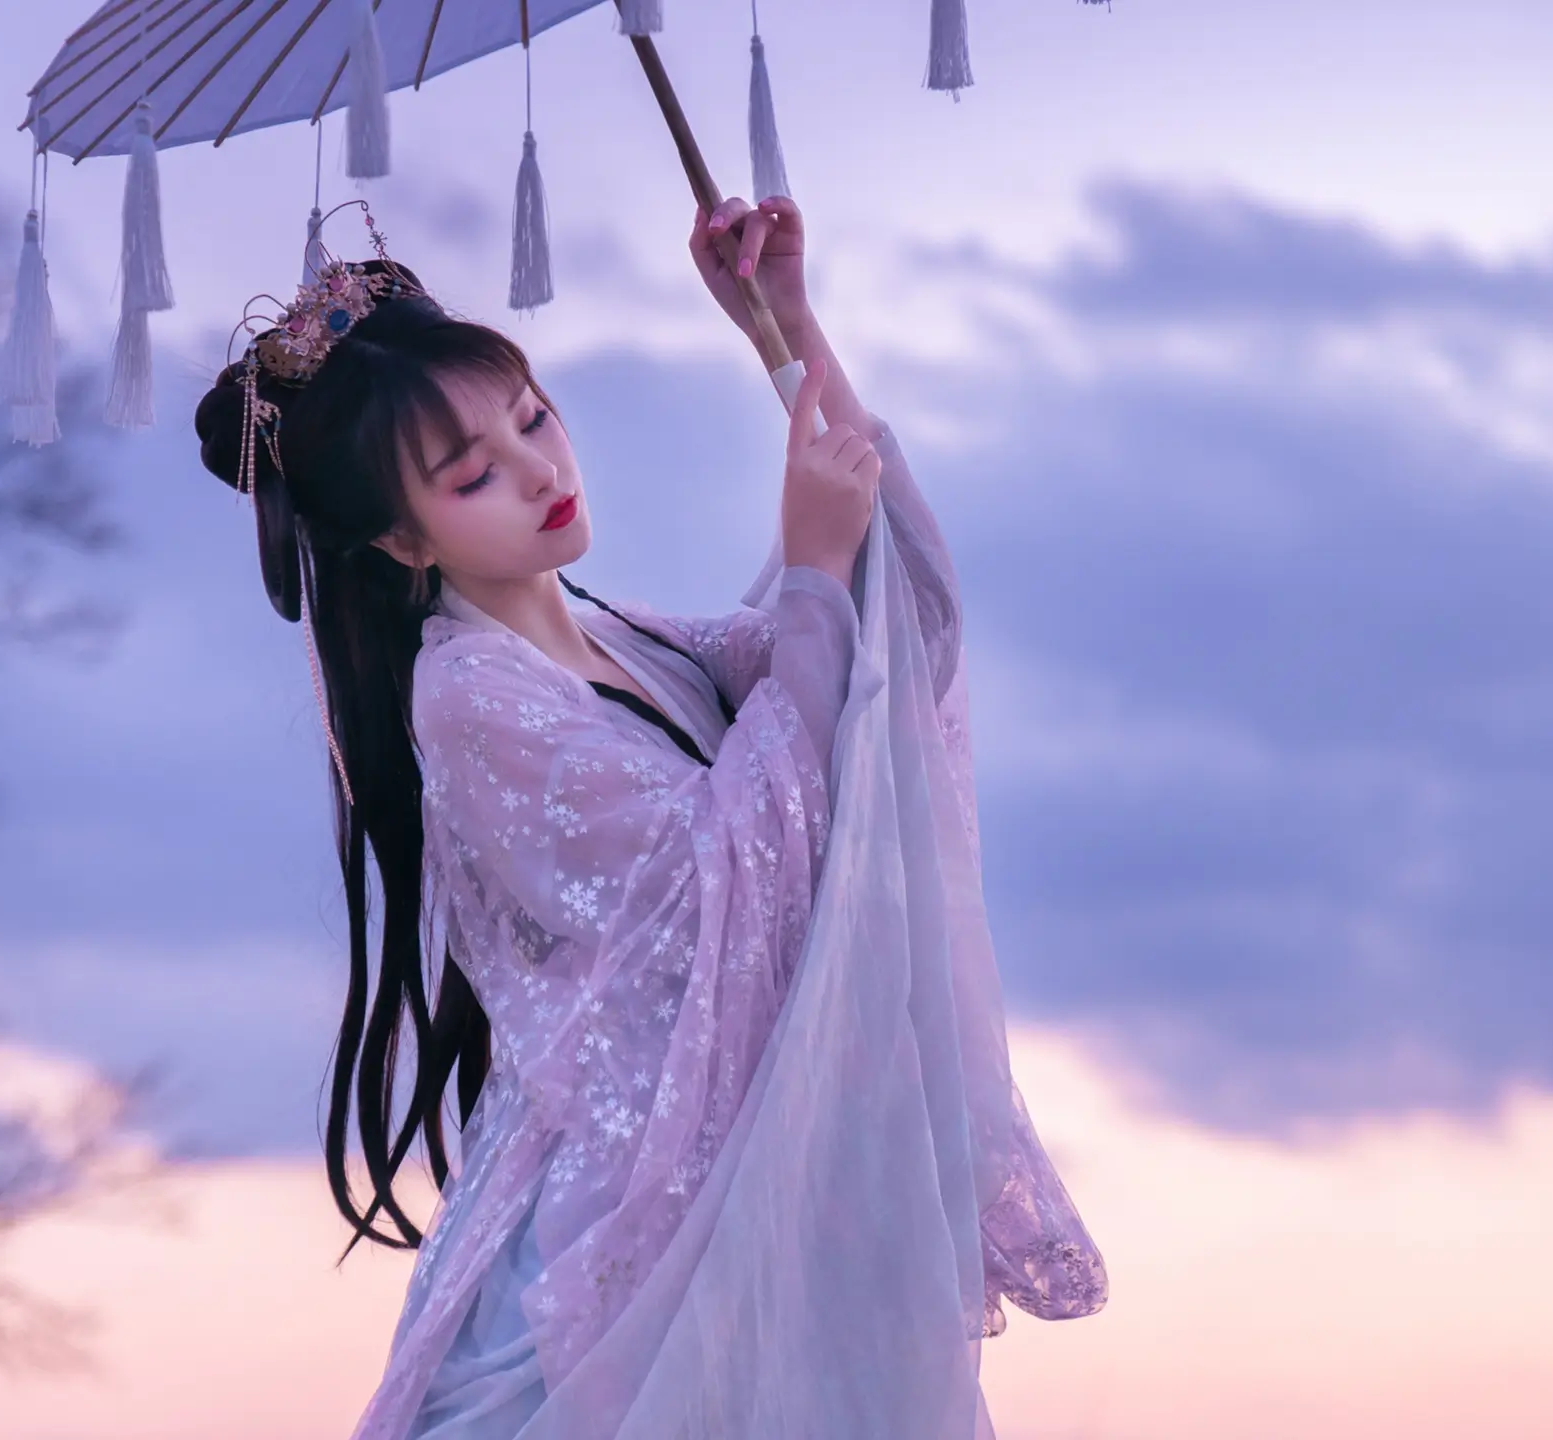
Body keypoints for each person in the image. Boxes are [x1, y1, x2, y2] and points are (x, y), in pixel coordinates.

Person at [192, 195, 1104, 1440]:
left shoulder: (639, 646)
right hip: (617, 1245)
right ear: (403, 537)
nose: (539, 472)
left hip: (731, 1205)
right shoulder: (465, 694)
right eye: (475, 475)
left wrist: (781, 328)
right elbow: (724, 873)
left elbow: (891, 638)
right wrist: (808, 571)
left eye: (532, 419)